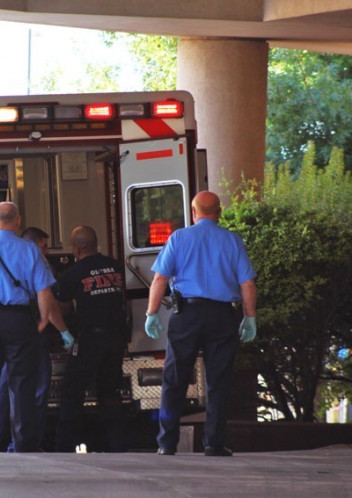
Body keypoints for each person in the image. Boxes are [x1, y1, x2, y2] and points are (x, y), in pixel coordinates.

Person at [145, 190, 257, 457]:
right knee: (218, 380)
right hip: (222, 316)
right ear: (219, 213)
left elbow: (160, 279)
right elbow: (247, 283)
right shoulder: (232, 241)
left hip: (186, 315)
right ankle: (214, 443)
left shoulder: (179, 238)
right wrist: (249, 317)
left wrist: (151, 313)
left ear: (193, 213)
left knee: (174, 379)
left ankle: (166, 443)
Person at [0, 202, 74, 452]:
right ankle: (23, 443)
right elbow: (44, 291)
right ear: (18, 220)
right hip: (19, 320)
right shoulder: (29, 250)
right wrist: (42, 319)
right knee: (21, 383)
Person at [54, 226, 128, 453]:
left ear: (76, 248)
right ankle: (117, 444)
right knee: (110, 391)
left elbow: (63, 309)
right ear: (96, 244)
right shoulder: (117, 267)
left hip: (89, 340)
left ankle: (65, 445)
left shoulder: (72, 274)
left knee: (72, 392)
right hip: (116, 338)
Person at [0, 226, 54, 451]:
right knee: (30, 388)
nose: (46, 252)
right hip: (26, 328)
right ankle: (24, 443)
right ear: (33, 243)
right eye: (44, 246)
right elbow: (46, 296)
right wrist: (47, 323)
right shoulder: (32, 256)